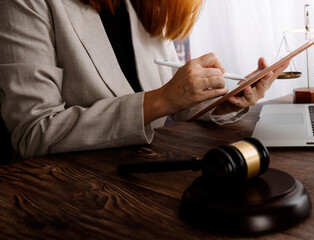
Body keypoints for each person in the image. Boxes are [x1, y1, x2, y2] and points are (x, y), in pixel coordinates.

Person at [0, 0, 285, 159]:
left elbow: (176, 100)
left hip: (151, 171)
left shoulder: (143, 5)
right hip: (75, 190)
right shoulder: (28, 3)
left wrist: (224, 102)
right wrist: (164, 98)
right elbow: (33, 132)